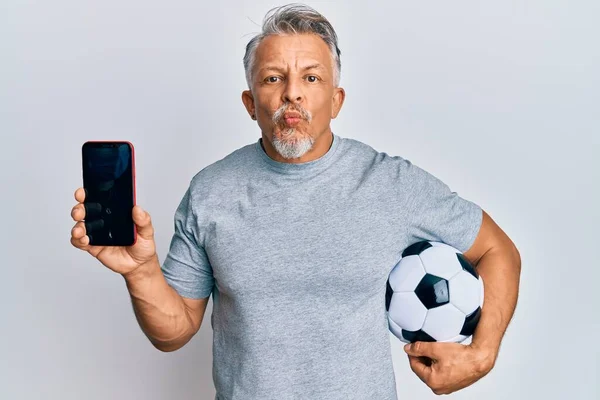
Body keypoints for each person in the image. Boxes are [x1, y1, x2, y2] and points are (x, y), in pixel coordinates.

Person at [70, 4, 521, 399]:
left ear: (336, 99)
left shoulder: (391, 183)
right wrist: (141, 272)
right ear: (250, 102)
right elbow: (174, 331)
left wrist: (482, 355)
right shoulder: (211, 192)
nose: (292, 93)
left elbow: (497, 250)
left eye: (311, 77)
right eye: (273, 78)